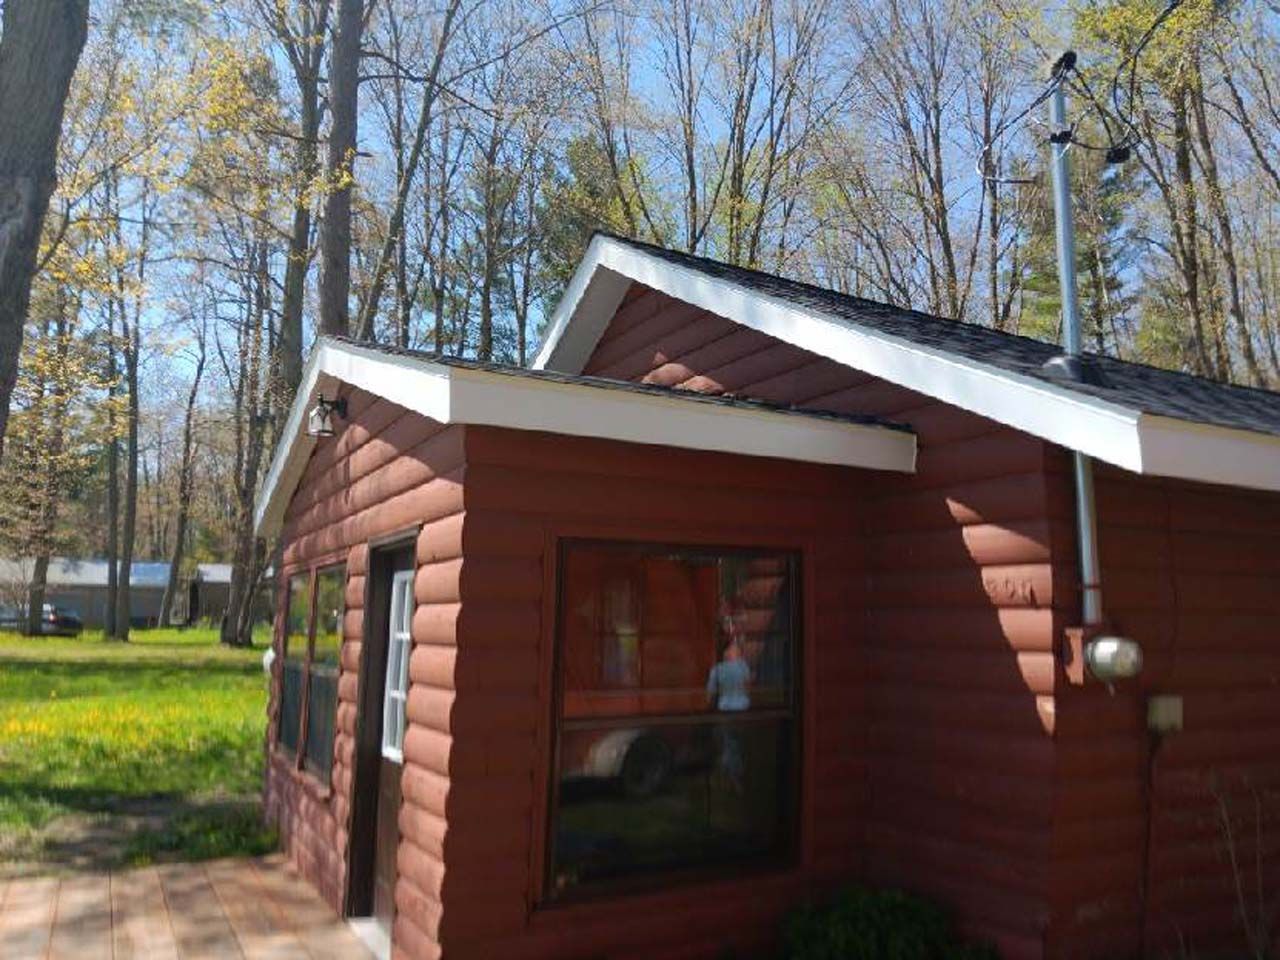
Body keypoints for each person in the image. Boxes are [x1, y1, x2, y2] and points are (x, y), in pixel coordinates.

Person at [706, 635, 750, 792]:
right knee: (735, 744)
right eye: (735, 648)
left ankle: (729, 774)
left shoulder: (717, 670)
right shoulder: (743, 667)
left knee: (730, 743)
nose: (737, 650)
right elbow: (748, 686)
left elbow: (710, 694)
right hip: (742, 711)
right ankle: (733, 776)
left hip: (726, 711)